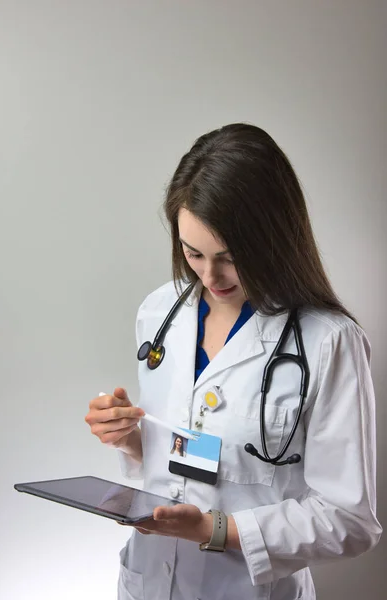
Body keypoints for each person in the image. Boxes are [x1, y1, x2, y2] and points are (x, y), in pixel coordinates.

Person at [85, 123, 382, 600]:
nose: (209, 275)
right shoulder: (161, 312)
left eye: (230, 256)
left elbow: (349, 520)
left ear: (275, 239)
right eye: (192, 252)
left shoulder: (328, 342)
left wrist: (214, 528)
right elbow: (192, 453)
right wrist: (130, 437)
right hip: (148, 581)